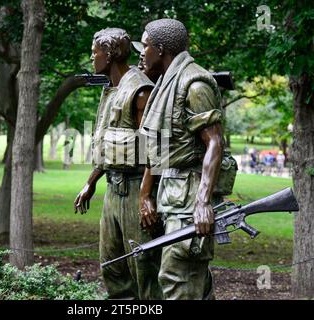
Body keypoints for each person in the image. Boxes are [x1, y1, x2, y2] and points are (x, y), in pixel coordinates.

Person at [138, 19, 224, 300]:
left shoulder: (194, 83)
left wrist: (202, 202)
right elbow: (159, 145)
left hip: (188, 200)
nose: (141, 52)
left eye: (146, 45)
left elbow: (214, 142)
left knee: (178, 279)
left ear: (161, 49)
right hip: (171, 195)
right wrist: (146, 193)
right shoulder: (164, 83)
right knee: (189, 281)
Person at [74, 28, 162, 300]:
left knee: (143, 267)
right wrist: (90, 183)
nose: (92, 57)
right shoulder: (110, 90)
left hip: (135, 189)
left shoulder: (140, 91)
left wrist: (146, 196)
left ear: (110, 54)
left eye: (95, 52)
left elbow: (156, 150)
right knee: (112, 265)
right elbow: (110, 148)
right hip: (112, 190)